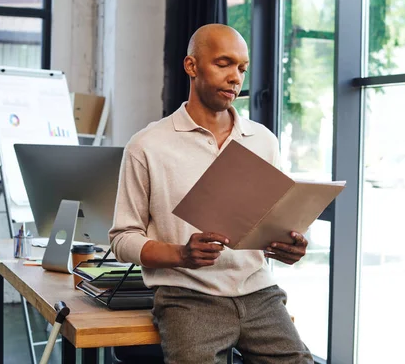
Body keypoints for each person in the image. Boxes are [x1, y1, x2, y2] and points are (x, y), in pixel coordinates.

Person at [109, 23, 314, 364]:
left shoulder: (263, 141)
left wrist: (293, 243)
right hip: (187, 297)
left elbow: (276, 217)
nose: (236, 77)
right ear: (191, 66)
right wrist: (180, 254)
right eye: (224, 63)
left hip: (259, 293)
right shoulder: (147, 145)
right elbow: (122, 239)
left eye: (242, 69)